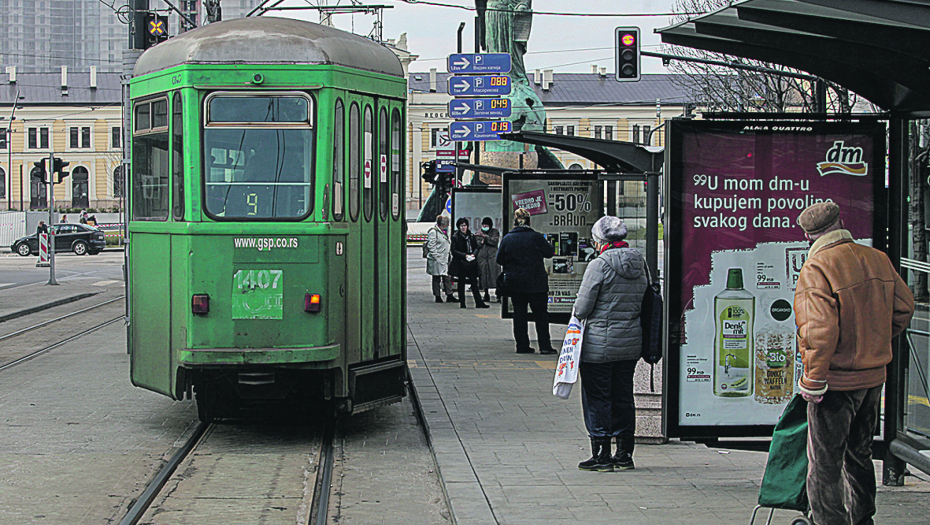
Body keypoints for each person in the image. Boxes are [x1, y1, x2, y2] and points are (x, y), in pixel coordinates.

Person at [794, 202, 914, 525]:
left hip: (835, 382)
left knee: (825, 462)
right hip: (873, 379)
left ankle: (829, 522)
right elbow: (904, 308)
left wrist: (813, 382)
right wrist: (874, 341)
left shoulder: (817, 268)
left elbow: (819, 331)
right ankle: (863, 519)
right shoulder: (876, 259)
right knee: (859, 453)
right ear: (840, 223)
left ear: (808, 235)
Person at [571, 216, 647, 472]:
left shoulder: (599, 265)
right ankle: (624, 453)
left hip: (599, 347)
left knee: (598, 398)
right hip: (630, 344)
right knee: (623, 397)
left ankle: (602, 454)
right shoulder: (640, 262)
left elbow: (582, 308)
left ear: (600, 240)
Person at [496, 208, 555, 354]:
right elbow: (549, 253)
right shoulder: (536, 237)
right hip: (536, 283)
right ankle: (545, 346)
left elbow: (499, 259)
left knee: (519, 314)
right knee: (541, 315)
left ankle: (522, 345)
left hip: (515, 283)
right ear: (529, 221)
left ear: (515, 222)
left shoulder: (508, 238)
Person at [450, 217, 490, 309]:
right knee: (461, 283)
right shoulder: (456, 236)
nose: (463, 227)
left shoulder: (471, 236)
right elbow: (454, 250)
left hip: (471, 262)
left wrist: (474, 255)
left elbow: (476, 247)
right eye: (461, 226)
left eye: (465, 225)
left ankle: (479, 302)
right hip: (462, 262)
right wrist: (465, 255)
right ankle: (462, 302)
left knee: (474, 283)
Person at [426, 215, 456, 304]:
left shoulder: (447, 231)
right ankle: (437, 296)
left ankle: (449, 295)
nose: (447, 225)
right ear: (441, 224)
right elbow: (431, 246)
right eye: (446, 224)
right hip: (437, 259)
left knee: (447, 277)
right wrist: (436, 257)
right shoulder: (433, 232)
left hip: (445, 258)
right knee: (436, 278)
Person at [474, 217, 501, 303]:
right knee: (483, 276)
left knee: (495, 276)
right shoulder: (478, 233)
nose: (484, 226)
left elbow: (494, 242)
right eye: (483, 225)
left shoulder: (495, 232)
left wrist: (485, 237)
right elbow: (477, 243)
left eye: (486, 225)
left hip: (492, 258)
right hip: (482, 258)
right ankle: (486, 294)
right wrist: (483, 240)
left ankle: (499, 294)